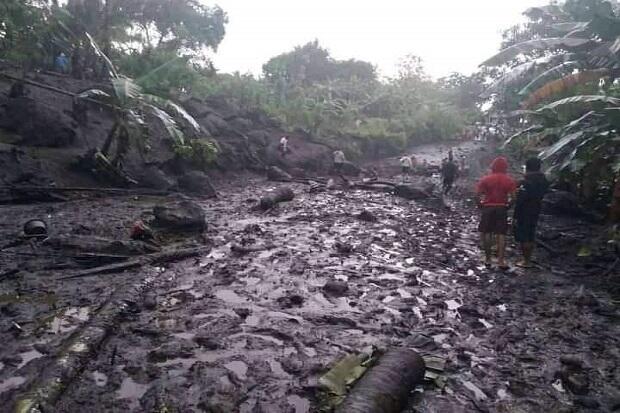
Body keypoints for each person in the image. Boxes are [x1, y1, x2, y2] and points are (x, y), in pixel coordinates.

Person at [476, 156, 517, 268]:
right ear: (505, 167)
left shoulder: (485, 179)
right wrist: (508, 206)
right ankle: (501, 261)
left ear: (493, 167)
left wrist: (480, 205)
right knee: (501, 234)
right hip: (501, 207)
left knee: (487, 233)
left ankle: (488, 259)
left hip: (488, 207)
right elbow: (513, 197)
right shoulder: (509, 180)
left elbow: (477, 195)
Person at [513, 157, 549, 268]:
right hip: (536, 208)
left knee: (524, 235)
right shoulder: (544, 181)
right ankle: (528, 258)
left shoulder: (525, 182)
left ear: (528, 167)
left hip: (525, 210)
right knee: (531, 233)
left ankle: (526, 261)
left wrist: (515, 213)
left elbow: (520, 200)